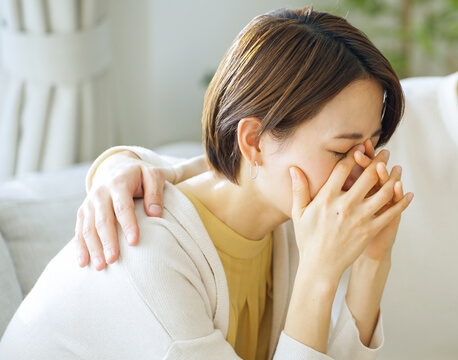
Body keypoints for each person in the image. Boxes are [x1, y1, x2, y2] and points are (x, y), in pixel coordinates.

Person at [65, 0, 458, 359]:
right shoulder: (157, 252)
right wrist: (119, 165)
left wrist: (368, 268)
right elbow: (223, 165)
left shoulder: (288, 227)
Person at [0, 7, 414, 360]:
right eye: (342, 150)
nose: (365, 169)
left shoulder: (284, 223)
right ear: (253, 142)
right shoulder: (150, 257)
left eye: (371, 145)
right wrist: (319, 276)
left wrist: (370, 263)